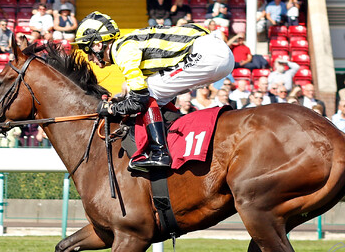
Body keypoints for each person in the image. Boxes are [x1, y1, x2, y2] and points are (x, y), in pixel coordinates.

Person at [73, 12, 235, 170]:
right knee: (155, 90)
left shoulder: (122, 50)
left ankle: (159, 152)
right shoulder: (130, 43)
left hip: (209, 54)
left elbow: (140, 99)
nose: (89, 58)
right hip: (217, 51)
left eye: (87, 50)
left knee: (147, 91)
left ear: (97, 44)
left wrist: (111, 108)